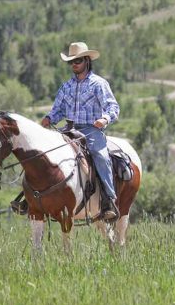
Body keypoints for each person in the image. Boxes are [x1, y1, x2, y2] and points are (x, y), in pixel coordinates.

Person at [12, 41, 120, 220]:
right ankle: (28, 197)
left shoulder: (99, 84)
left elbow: (112, 107)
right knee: (42, 153)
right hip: (68, 129)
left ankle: (109, 200)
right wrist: (49, 119)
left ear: (86, 60)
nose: (74, 65)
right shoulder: (66, 87)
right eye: (71, 62)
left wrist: (105, 119)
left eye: (77, 61)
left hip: (91, 129)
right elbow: (58, 110)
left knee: (100, 156)